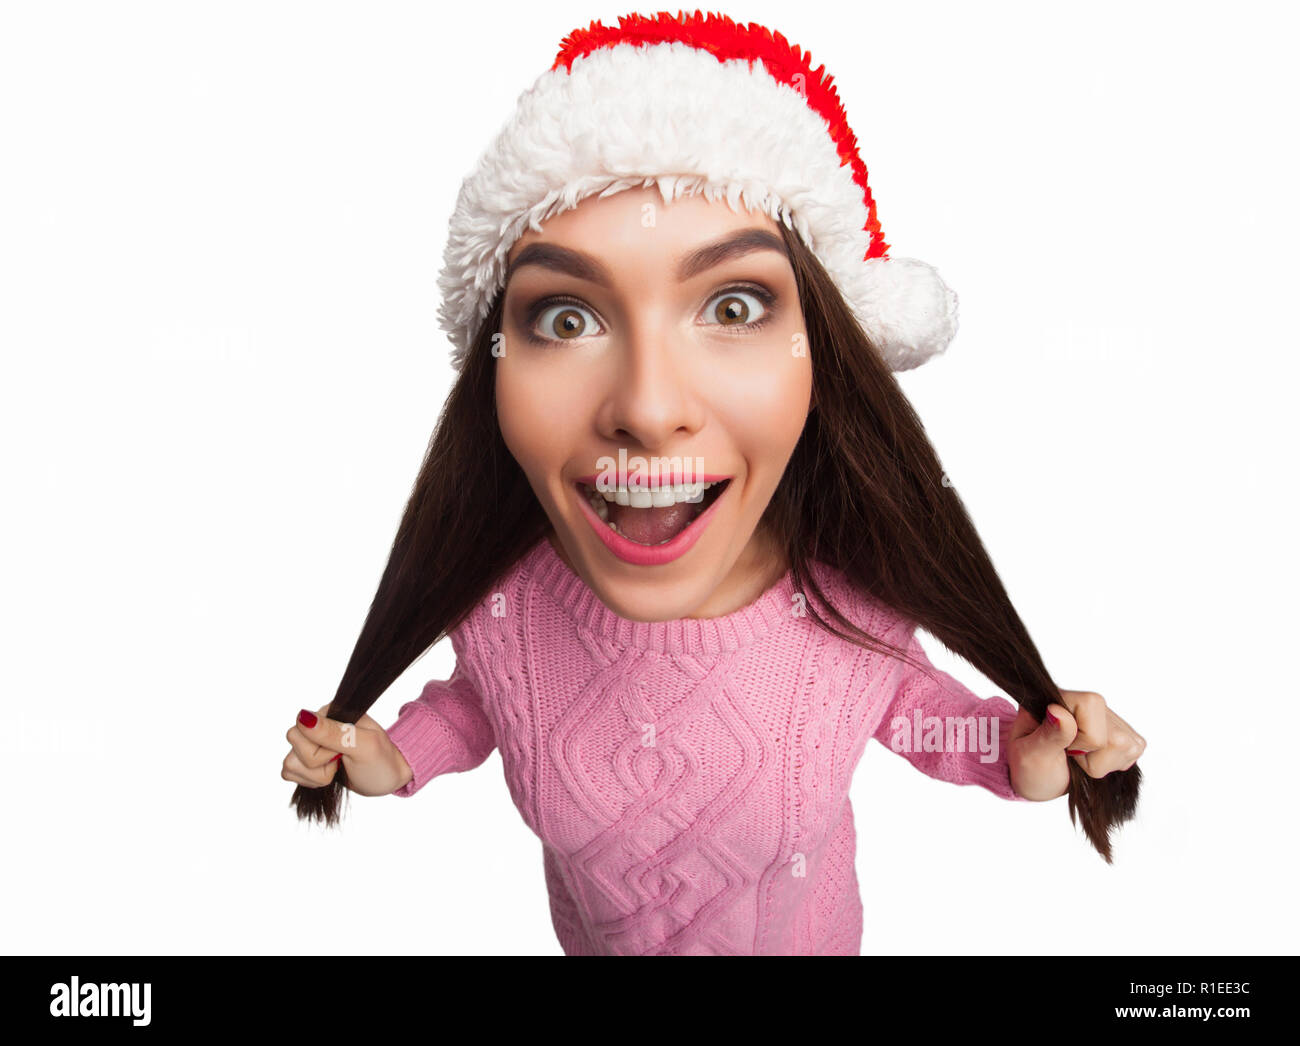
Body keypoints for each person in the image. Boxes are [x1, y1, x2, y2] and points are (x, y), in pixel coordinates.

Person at [280, 10, 1144, 955]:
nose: (648, 409)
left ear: (829, 363)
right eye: (566, 319)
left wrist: (1022, 753)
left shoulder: (844, 602)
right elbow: (481, 702)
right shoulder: (510, 605)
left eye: (734, 305)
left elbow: (931, 718)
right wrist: (389, 756)